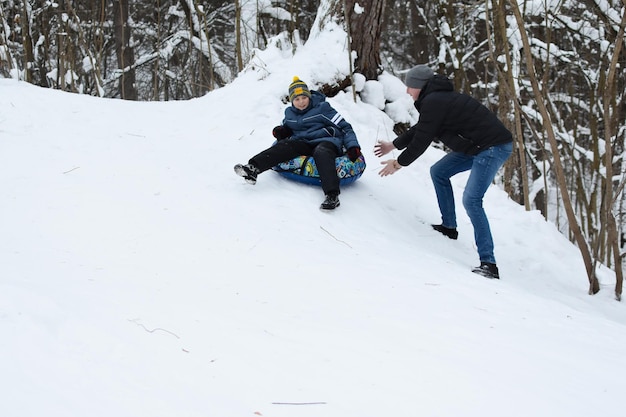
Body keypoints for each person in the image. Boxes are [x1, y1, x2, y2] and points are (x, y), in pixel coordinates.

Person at [374, 65, 513, 279]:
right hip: (476, 147)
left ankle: (489, 263)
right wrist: (393, 145)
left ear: (420, 86)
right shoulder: (435, 100)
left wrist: (398, 163)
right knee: (439, 171)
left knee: (472, 200)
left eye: (410, 86)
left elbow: (421, 140)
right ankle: (449, 226)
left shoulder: (435, 101)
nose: (407, 92)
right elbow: (421, 129)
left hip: (492, 148)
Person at [235, 76, 361, 210]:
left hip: (326, 141)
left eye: (304, 98)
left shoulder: (323, 108)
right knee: (285, 146)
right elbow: (288, 129)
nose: (301, 102)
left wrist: (352, 146)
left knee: (321, 152)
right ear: (291, 101)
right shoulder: (289, 113)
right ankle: (253, 168)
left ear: (309, 96)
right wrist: (282, 132)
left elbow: (345, 127)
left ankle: (332, 195)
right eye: (296, 99)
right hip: (304, 143)